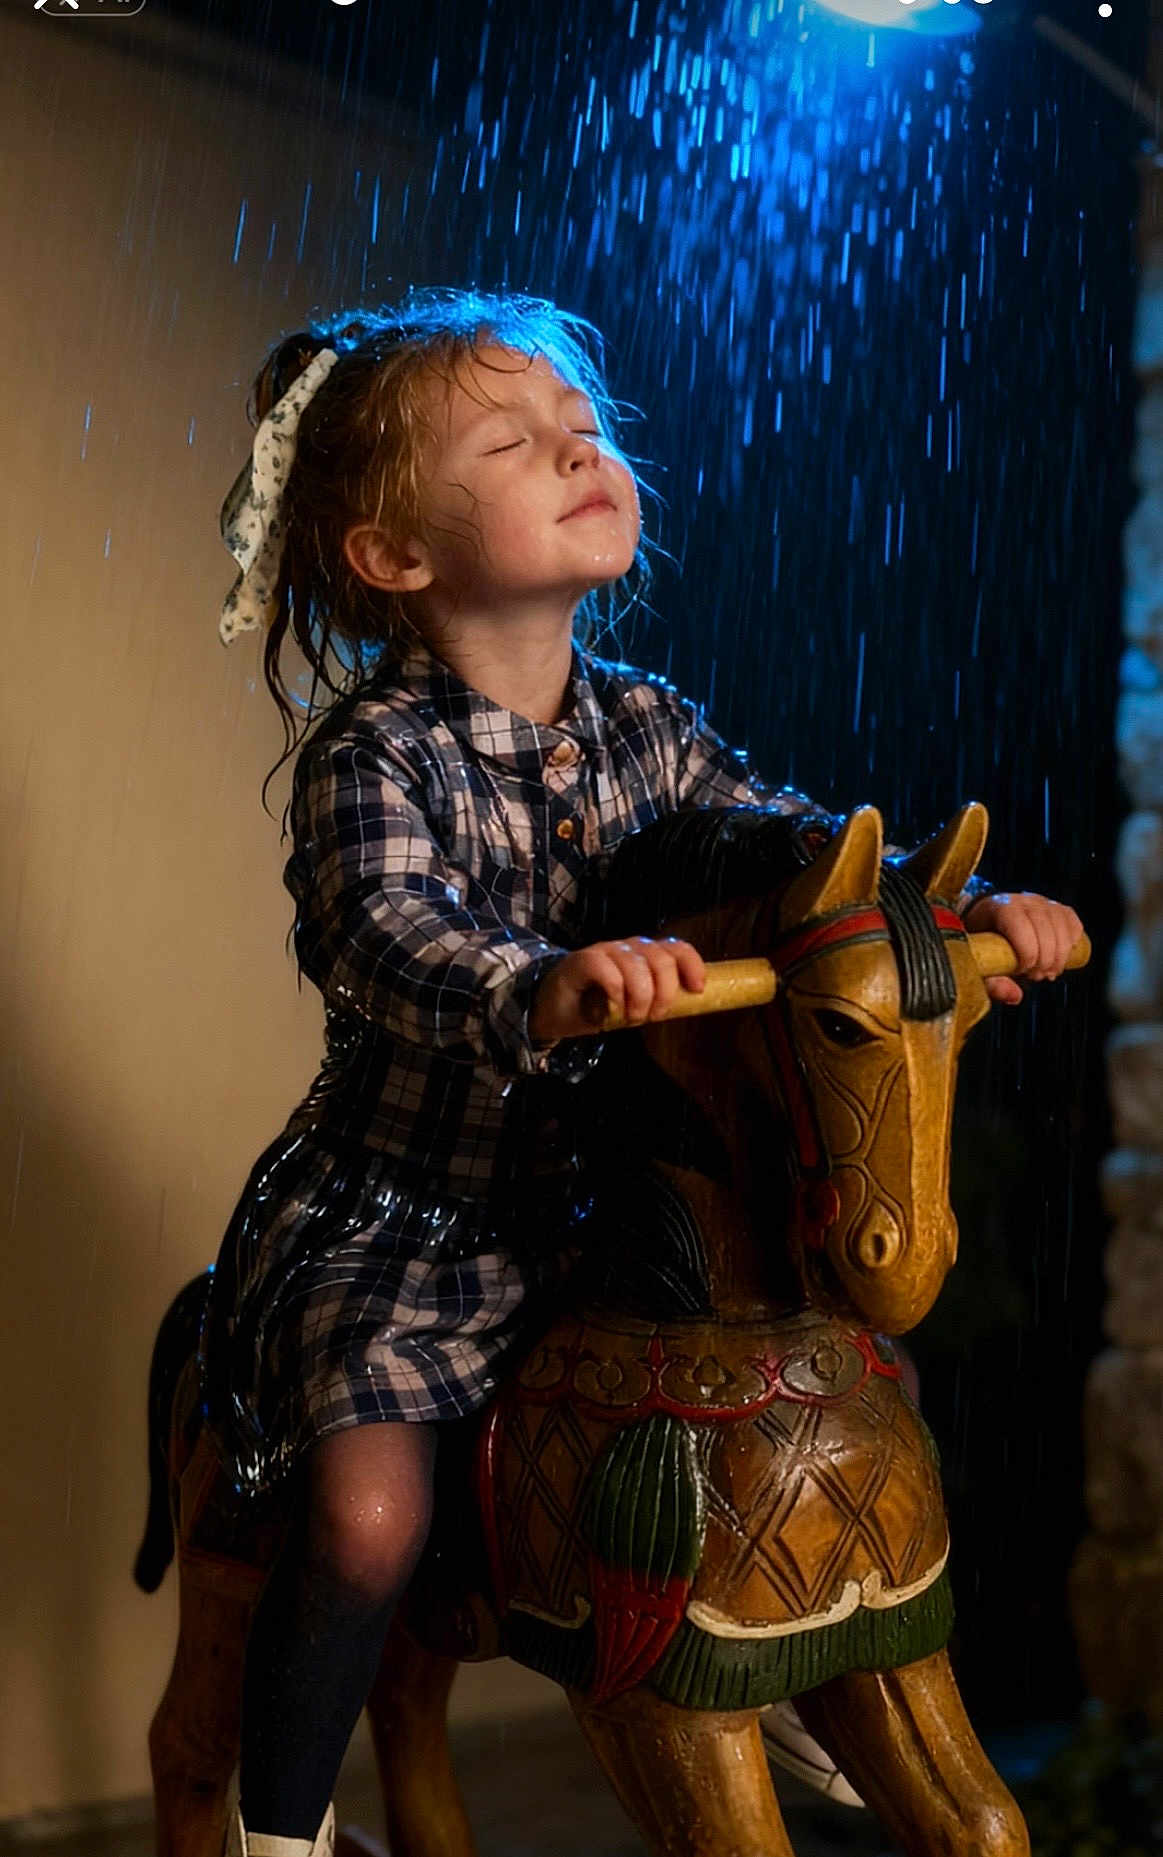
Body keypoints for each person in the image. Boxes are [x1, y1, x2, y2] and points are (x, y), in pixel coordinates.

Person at [201, 288, 1085, 1857]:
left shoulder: (650, 729)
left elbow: (796, 859)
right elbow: (381, 926)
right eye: (518, 441)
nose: (580, 450)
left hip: (607, 1209)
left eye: (586, 428)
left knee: (801, 1379)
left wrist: (949, 918)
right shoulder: (377, 755)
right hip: (410, 1216)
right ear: (397, 558)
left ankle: (792, 1658)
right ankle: (277, 1825)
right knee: (367, 1509)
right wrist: (538, 984)